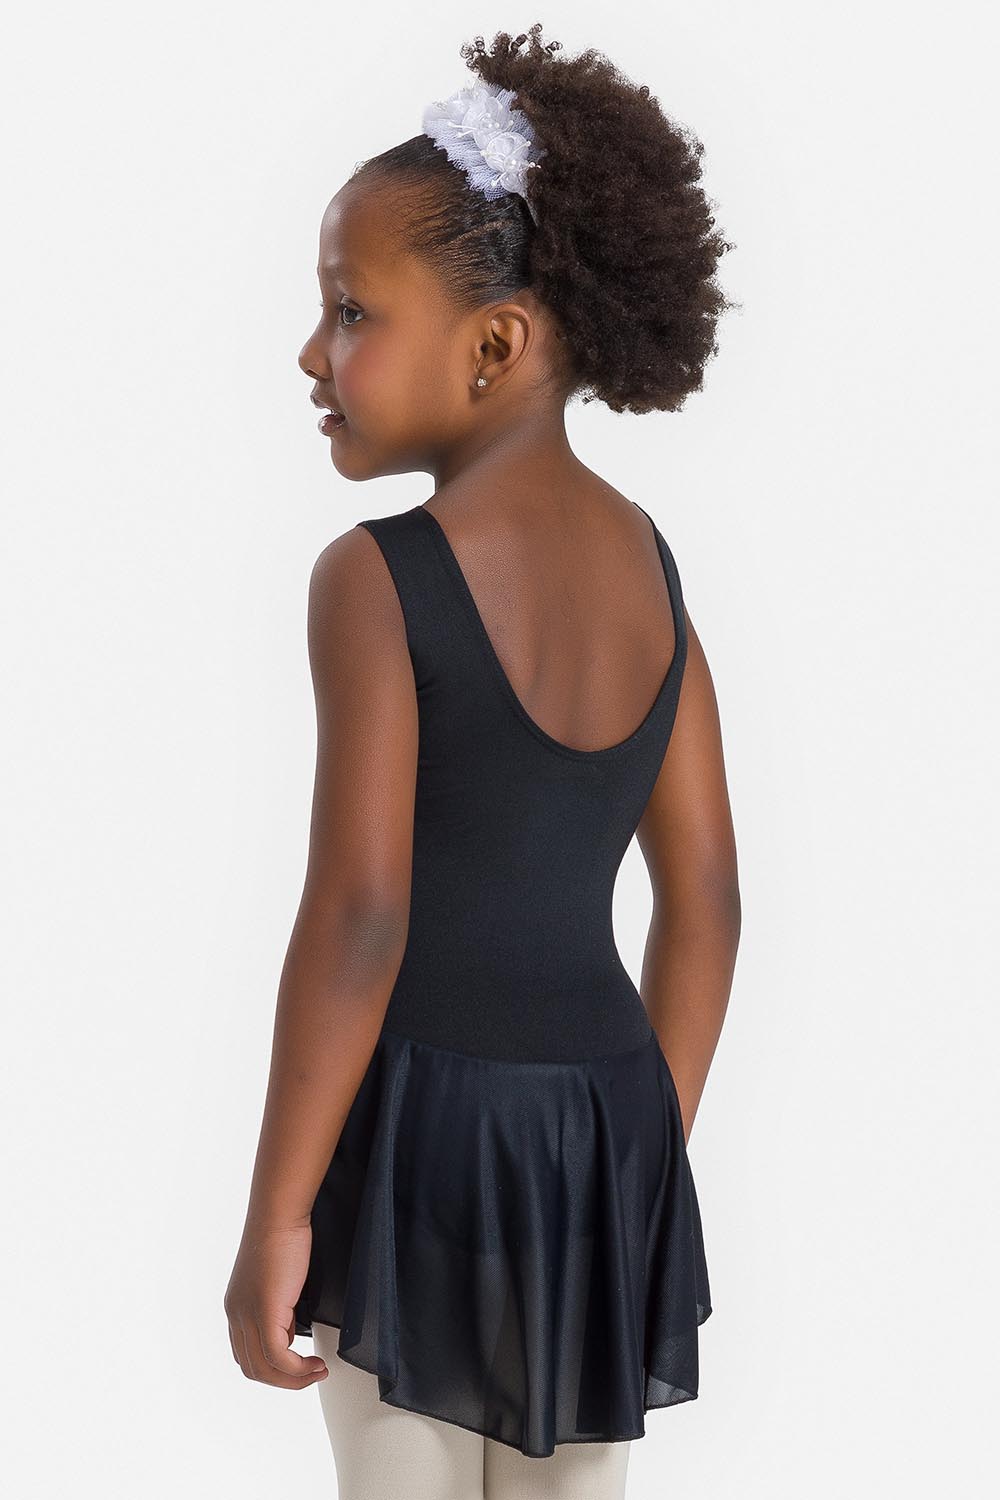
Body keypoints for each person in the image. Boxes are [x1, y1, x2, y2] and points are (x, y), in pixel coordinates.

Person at [225, 23, 740, 1500]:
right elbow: (707, 904)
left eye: (350, 311)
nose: (314, 354)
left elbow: (361, 916)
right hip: (604, 1121)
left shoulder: (379, 576)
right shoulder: (649, 567)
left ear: (495, 343)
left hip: (420, 1138)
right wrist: (642, 1155)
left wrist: (277, 1217)